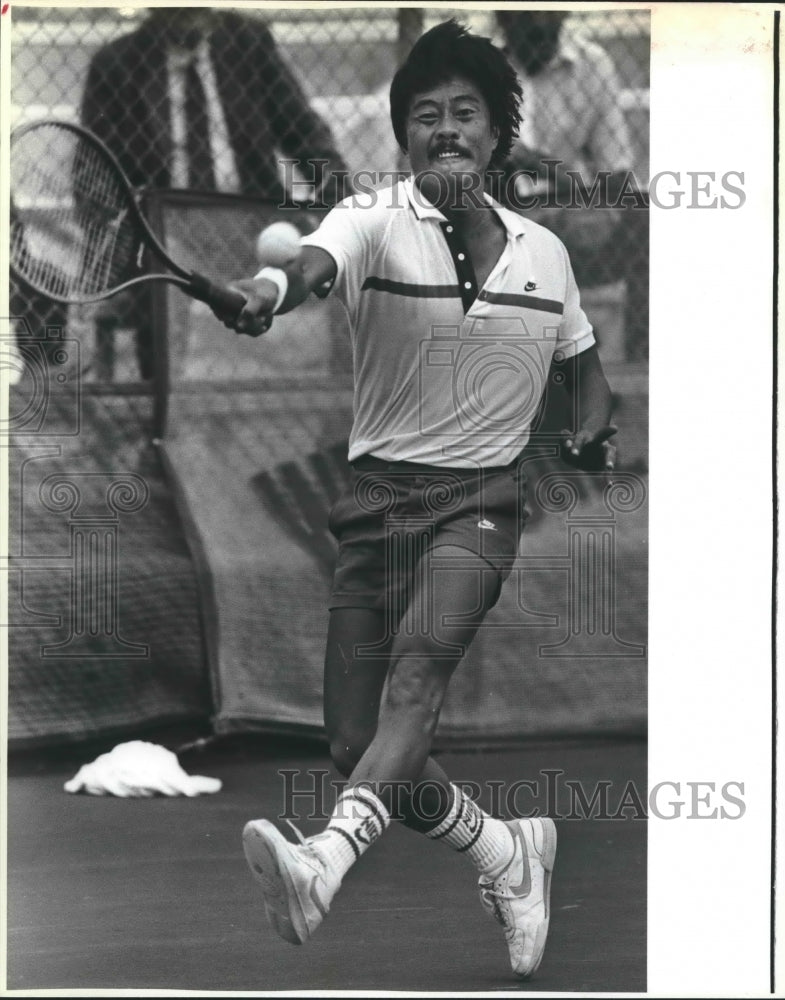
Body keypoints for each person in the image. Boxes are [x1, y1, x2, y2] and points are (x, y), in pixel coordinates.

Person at [217, 21, 616, 980]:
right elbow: (307, 264)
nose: (444, 128)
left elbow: (584, 368)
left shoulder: (543, 255)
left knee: (412, 685)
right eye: (424, 115)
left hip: (478, 504)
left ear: (494, 138)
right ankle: (505, 854)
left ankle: (323, 862)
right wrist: (270, 287)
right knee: (357, 741)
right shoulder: (369, 216)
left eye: (464, 112)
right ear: (403, 138)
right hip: (375, 503)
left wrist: (592, 427)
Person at [79, 7, 351, 379]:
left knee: (344, 258)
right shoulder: (117, 64)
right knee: (165, 269)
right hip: (166, 233)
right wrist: (120, 243)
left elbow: (303, 130)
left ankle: (339, 407)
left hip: (255, 225)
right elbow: (92, 176)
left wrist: (338, 198)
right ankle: (167, 411)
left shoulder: (250, 43)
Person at [494, 10, 648, 358]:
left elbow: (615, 171)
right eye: (530, 30)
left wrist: (599, 207)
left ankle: (640, 369)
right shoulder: (475, 65)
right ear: (505, 18)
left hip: (574, 209)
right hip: (502, 214)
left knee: (648, 219)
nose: (541, 39)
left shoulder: (591, 64)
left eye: (550, 31)